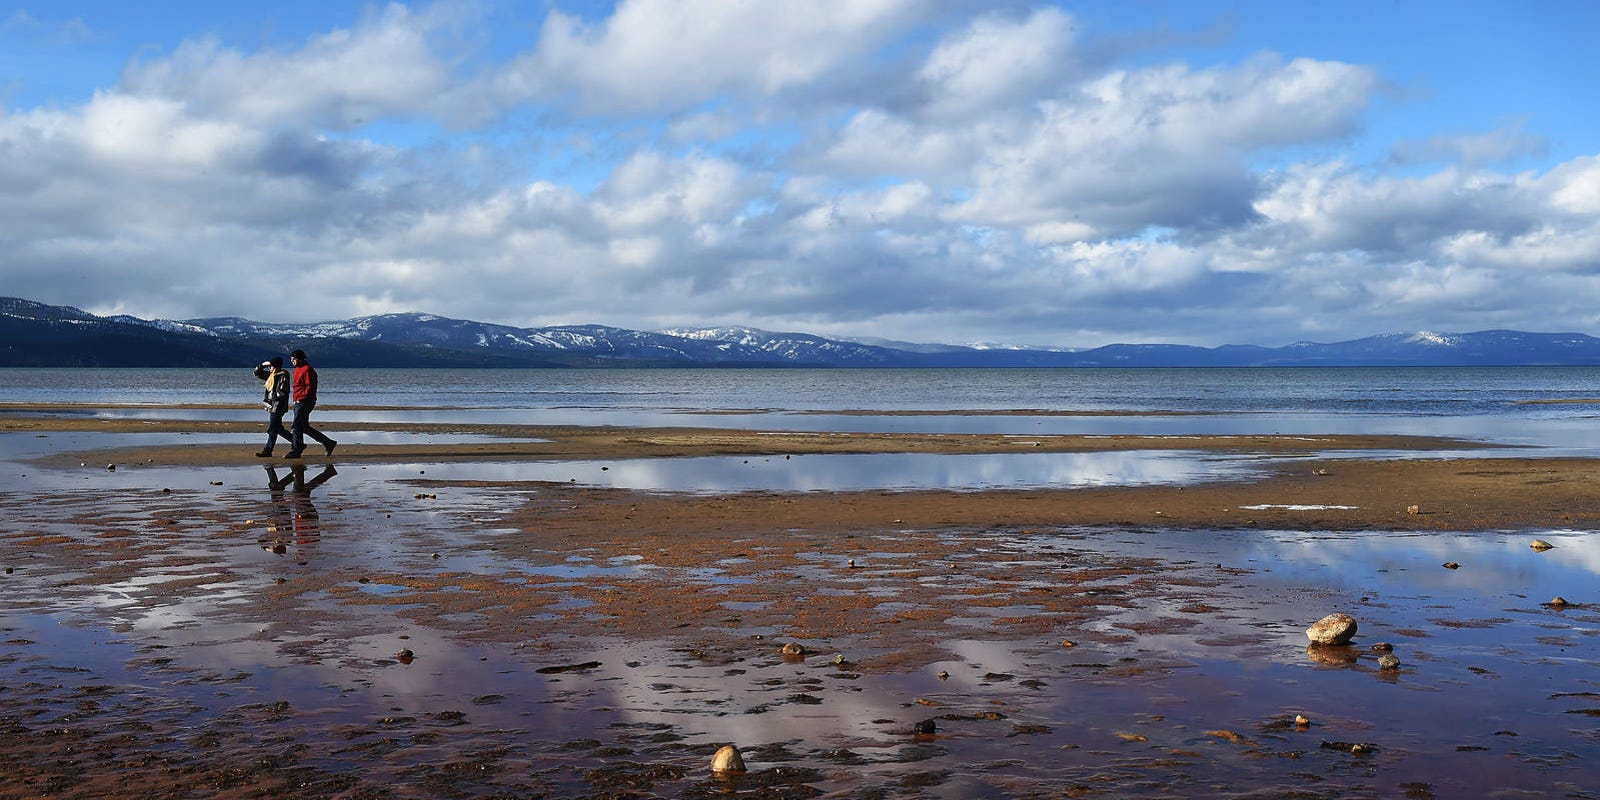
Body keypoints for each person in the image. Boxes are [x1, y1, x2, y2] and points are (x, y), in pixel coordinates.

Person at [285, 349, 337, 458]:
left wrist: (302, 397)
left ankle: (296, 449)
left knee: (296, 426)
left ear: (300, 359)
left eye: (294, 359)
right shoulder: (296, 370)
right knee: (303, 427)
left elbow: (310, 387)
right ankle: (328, 443)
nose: (292, 361)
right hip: (298, 400)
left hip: (306, 401)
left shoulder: (308, 370)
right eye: (291, 360)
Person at [255, 356, 292, 457]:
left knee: (272, 428)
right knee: (278, 428)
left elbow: (283, 392)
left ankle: (268, 450)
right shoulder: (271, 375)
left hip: (278, 406)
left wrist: (273, 397)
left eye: (271, 366)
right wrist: (262, 365)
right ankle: (297, 443)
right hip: (272, 406)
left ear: (275, 367)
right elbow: (256, 373)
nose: (269, 368)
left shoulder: (283, 375)